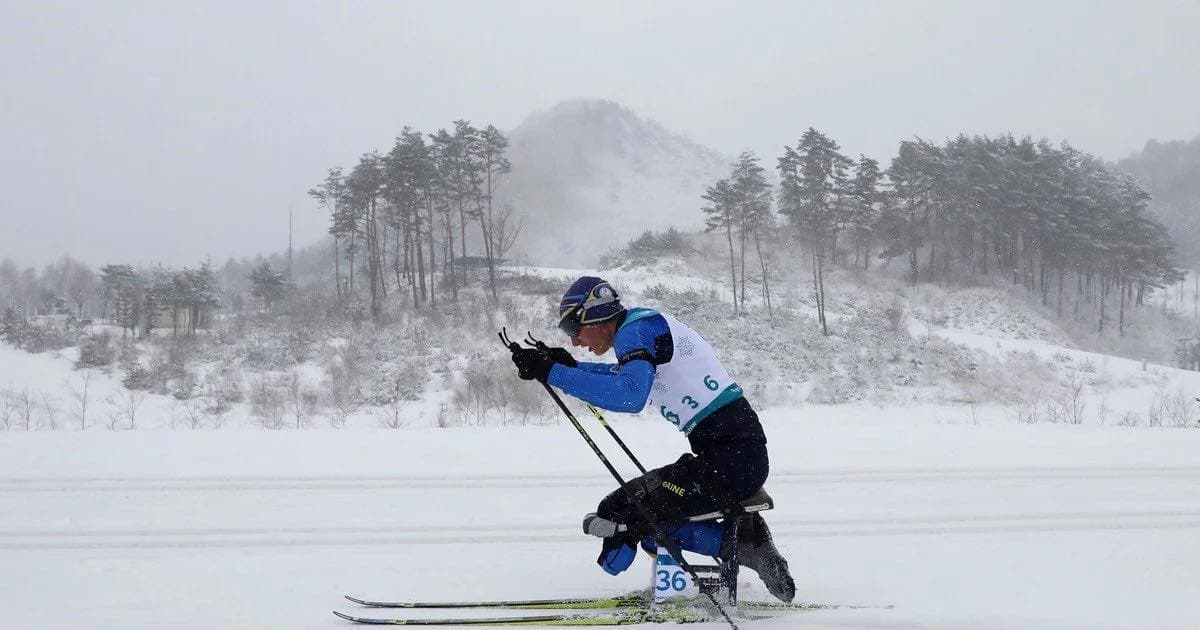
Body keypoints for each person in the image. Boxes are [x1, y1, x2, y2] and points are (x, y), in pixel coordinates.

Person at [509, 276, 795, 602]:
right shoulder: (639, 328)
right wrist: (570, 366)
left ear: (594, 315)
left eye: (573, 330)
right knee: (621, 510)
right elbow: (621, 375)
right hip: (734, 456)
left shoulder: (633, 332)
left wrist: (553, 373)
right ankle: (747, 543)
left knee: (633, 515)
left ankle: (747, 544)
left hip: (730, 461)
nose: (575, 341)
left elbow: (630, 395)